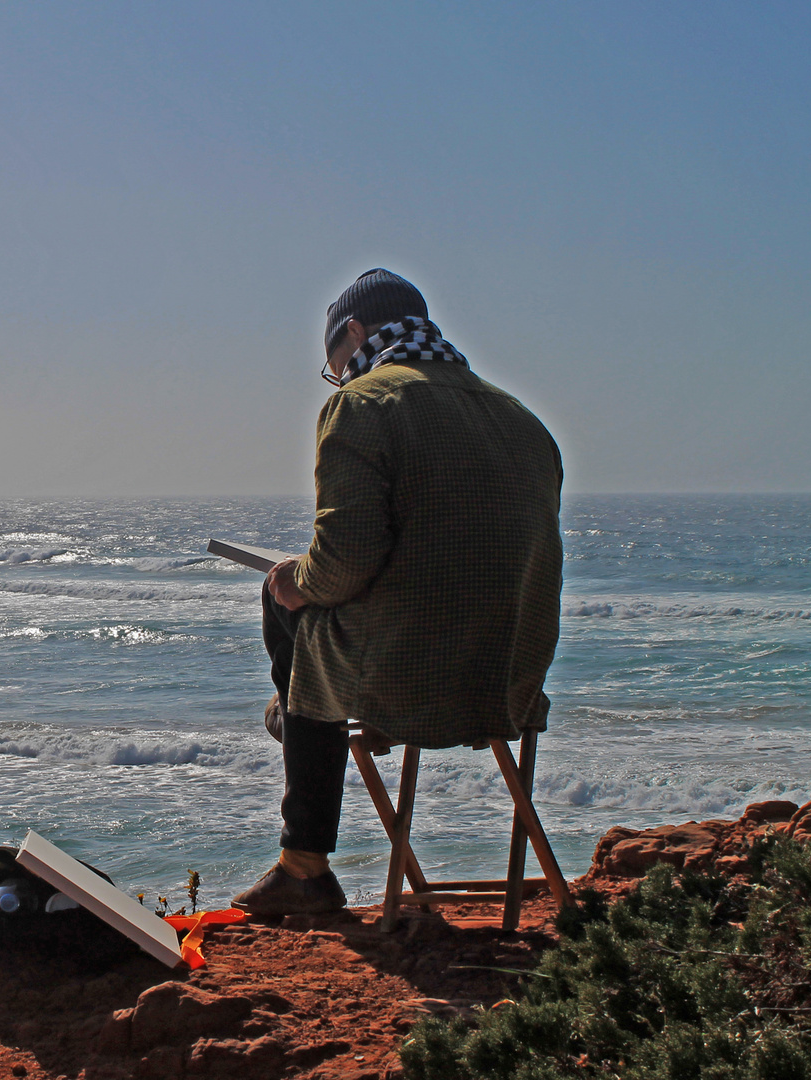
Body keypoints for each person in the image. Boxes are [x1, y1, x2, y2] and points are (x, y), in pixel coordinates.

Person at [231, 269, 563, 916]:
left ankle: (303, 859)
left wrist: (294, 581)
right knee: (312, 615)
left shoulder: (361, 405)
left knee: (280, 598)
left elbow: (342, 563)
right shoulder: (522, 419)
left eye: (335, 365)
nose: (339, 378)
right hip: (510, 684)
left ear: (355, 332)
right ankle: (296, 709)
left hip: (409, 683)